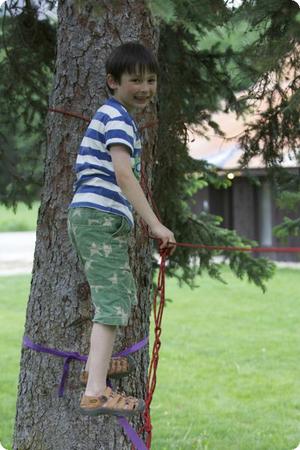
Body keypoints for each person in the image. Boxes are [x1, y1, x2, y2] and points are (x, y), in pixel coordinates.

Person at [67, 42, 176, 417]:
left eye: (150, 80)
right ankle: (95, 391)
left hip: (98, 219)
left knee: (117, 293)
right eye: (135, 80)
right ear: (113, 82)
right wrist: (156, 225)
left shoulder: (118, 116)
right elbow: (123, 175)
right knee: (112, 303)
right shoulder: (116, 118)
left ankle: (94, 365)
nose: (144, 88)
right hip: (98, 218)